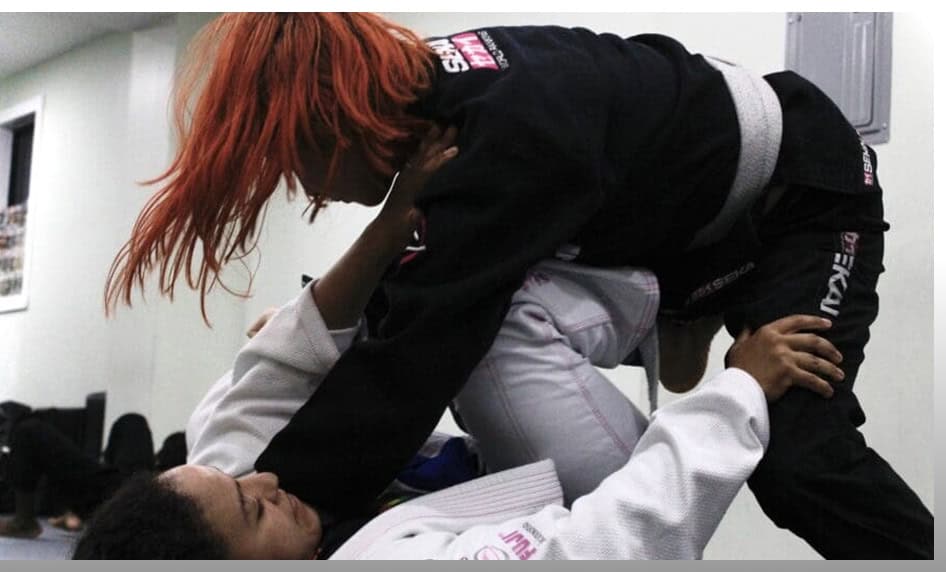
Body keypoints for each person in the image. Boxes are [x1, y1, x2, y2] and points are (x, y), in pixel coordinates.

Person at [102, 14, 932, 558]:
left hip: (800, 192)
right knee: (443, 296)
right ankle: (682, 303)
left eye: (300, 165)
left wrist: (287, 505)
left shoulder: (496, 142)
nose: (309, 190)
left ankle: (688, 305)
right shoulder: (430, 103)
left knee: (795, 458)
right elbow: (403, 320)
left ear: (334, 124)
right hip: (672, 216)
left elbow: (411, 360)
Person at [0, 413, 154, 538]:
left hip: (133, 500)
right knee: (133, 420)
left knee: (28, 430)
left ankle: (24, 522)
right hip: (144, 497)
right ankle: (99, 511)